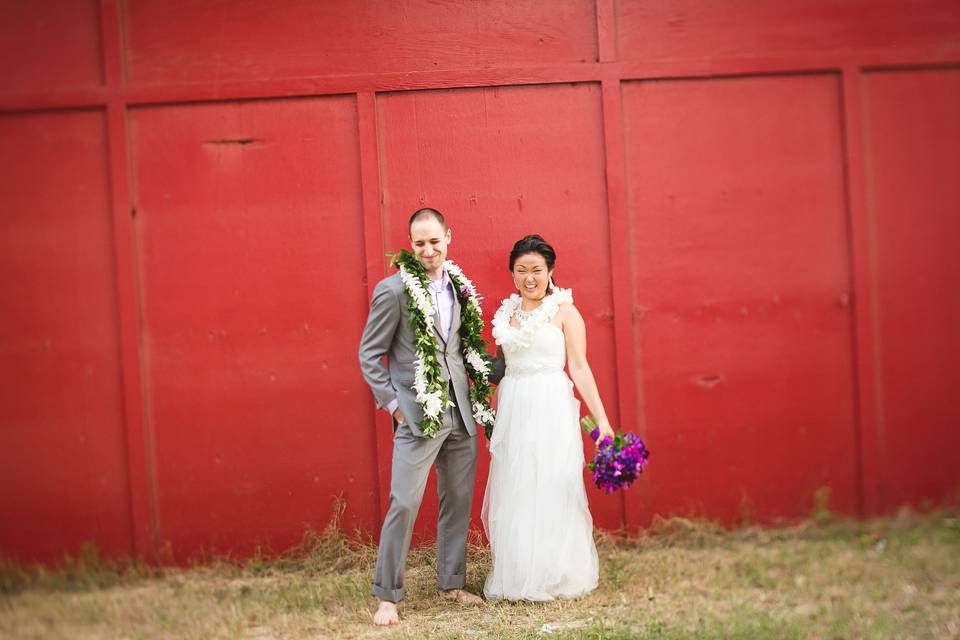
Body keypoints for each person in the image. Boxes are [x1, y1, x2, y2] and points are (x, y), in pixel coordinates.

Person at [358, 208, 499, 625]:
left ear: (448, 237)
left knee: (456, 501)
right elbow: (369, 354)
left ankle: (451, 583)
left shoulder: (459, 286)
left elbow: (459, 349)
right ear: (410, 244)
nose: (428, 250)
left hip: (461, 413)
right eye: (419, 243)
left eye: (434, 241)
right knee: (404, 502)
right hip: (419, 417)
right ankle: (388, 596)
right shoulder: (393, 290)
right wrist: (394, 405)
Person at [482, 234, 616, 601]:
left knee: (554, 482)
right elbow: (500, 367)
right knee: (518, 484)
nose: (529, 278)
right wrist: (488, 410)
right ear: (512, 273)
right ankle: (520, 573)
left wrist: (601, 421)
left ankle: (558, 571)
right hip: (514, 407)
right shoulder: (505, 315)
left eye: (537, 270)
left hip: (551, 405)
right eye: (521, 270)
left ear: (550, 271)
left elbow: (580, 367)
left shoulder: (565, 312)